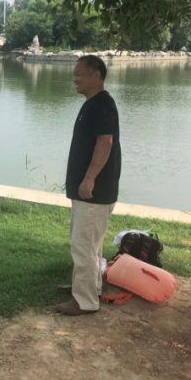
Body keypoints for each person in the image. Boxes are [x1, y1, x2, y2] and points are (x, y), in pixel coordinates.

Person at [56, 55, 121, 317]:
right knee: (89, 244)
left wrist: (89, 178)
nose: (75, 78)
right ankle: (86, 287)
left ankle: (84, 301)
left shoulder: (102, 104)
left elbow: (105, 143)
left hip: (94, 192)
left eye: (79, 74)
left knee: (83, 245)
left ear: (96, 74)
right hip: (87, 193)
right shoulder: (91, 104)